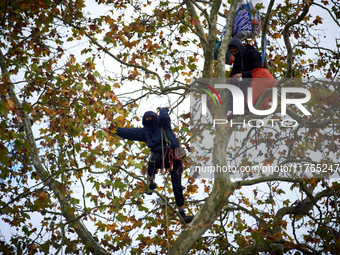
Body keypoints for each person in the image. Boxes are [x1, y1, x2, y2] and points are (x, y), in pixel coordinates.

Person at [104, 107, 193, 223]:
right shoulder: (144, 132)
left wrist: (164, 109)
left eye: (151, 117)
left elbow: (164, 116)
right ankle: (150, 181)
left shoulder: (163, 125)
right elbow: (129, 133)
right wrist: (113, 130)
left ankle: (182, 214)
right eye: (147, 118)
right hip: (159, 156)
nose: (149, 119)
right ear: (144, 121)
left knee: (177, 186)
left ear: (156, 118)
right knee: (153, 159)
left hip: (173, 156)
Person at [227, 37, 262, 119]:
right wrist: (230, 79)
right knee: (231, 85)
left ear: (239, 47)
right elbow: (235, 71)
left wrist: (242, 74)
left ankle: (244, 109)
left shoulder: (252, 53)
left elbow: (258, 70)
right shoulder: (238, 58)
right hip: (245, 77)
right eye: (232, 52)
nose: (234, 54)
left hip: (256, 78)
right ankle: (233, 109)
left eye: (235, 51)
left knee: (244, 84)